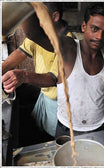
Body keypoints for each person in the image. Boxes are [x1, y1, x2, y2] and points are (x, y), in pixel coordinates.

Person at [2, 2, 73, 137]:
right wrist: (2, 68)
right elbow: (21, 52)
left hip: (58, 104)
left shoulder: (69, 43)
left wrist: (23, 76)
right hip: (44, 97)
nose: (35, 21)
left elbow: (53, 78)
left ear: (55, 16)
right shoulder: (41, 36)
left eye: (38, 15)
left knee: (54, 140)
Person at [55, 3, 104, 137]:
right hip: (68, 130)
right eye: (95, 29)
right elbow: (37, 34)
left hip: (100, 128)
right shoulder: (70, 48)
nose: (99, 37)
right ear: (84, 26)